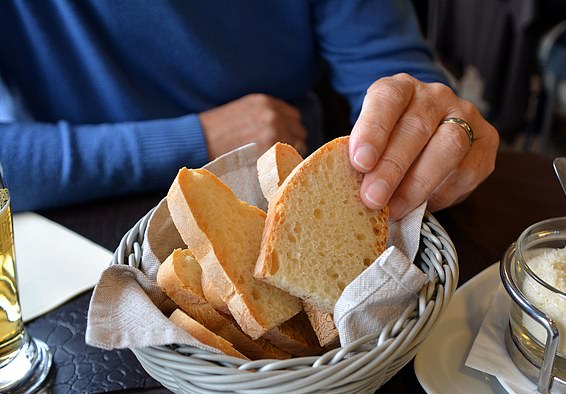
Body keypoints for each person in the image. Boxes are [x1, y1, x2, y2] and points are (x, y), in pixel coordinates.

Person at [0, 0, 498, 219]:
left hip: (283, 197)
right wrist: (196, 139)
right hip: (72, 227)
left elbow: (388, 65)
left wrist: (427, 117)